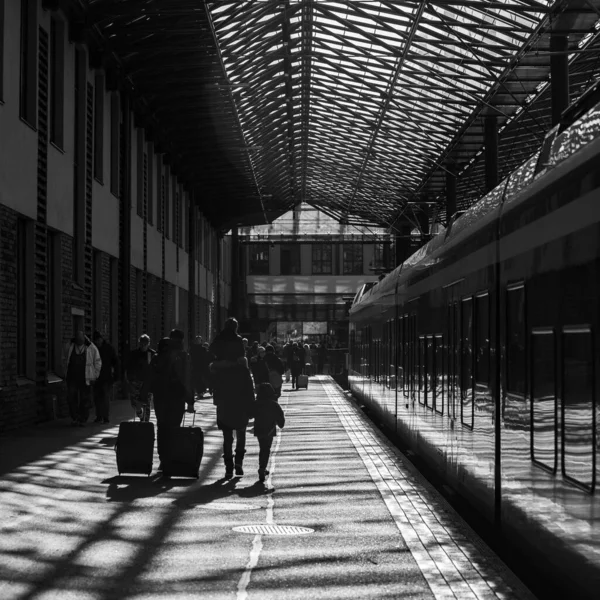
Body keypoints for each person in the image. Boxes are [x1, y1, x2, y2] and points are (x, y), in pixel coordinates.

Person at [209, 318, 254, 478]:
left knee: (227, 436)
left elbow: (212, 351)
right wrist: (251, 406)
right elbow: (249, 388)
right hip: (240, 403)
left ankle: (228, 465)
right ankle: (239, 463)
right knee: (241, 433)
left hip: (224, 402)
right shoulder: (242, 369)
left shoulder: (219, 341)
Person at [140, 338, 190, 473]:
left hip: (160, 399)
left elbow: (149, 378)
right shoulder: (177, 359)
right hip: (176, 400)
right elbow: (184, 379)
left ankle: (163, 459)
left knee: (162, 428)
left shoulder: (156, 360)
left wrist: (143, 396)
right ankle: (172, 457)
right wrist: (189, 399)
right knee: (174, 428)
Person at [64, 331, 102, 426]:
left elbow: (97, 362)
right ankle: (75, 417)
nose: (80, 342)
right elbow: (64, 357)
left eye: (81, 340)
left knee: (85, 399)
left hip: (86, 378)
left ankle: (82, 418)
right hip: (72, 377)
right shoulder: (70, 346)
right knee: (71, 397)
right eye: (78, 340)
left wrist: (95, 375)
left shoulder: (91, 348)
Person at [253, 383, 285, 482]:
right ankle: (262, 468)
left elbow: (250, 414)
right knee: (266, 449)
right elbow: (281, 421)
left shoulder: (256, 403)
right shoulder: (274, 404)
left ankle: (262, 467)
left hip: (259, 428)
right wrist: (279, 423)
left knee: (262, 448)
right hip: (269, 429)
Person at [126, 334, 156, 421]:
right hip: (136, 382)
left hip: (147, 382)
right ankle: (140, 415)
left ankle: (146, 422)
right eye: (141, 344)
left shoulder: (152, 354)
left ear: (148, 344)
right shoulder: (134, 354)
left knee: (146, 403)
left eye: (145, 344)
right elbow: (129, 367)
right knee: (135, 403)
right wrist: (130, 379)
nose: (143, 346)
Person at [92, 331, 118, 423]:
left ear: (101, 339)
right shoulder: (93, 349)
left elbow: (115, 362)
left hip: (106, 377)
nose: (97, 342)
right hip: (96, 377)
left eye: (98, 340)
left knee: (105, 397)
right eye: (96, 340)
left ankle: (105, 416)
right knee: (97, 397)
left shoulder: (108, 348)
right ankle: (99, 416)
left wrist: (115, 375)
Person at [170, 329, 194, 413]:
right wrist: (190, 401)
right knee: (175, 422)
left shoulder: (159, 355)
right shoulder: (184, 356)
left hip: (162, 394)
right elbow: (188, 378)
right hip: (179, 392)